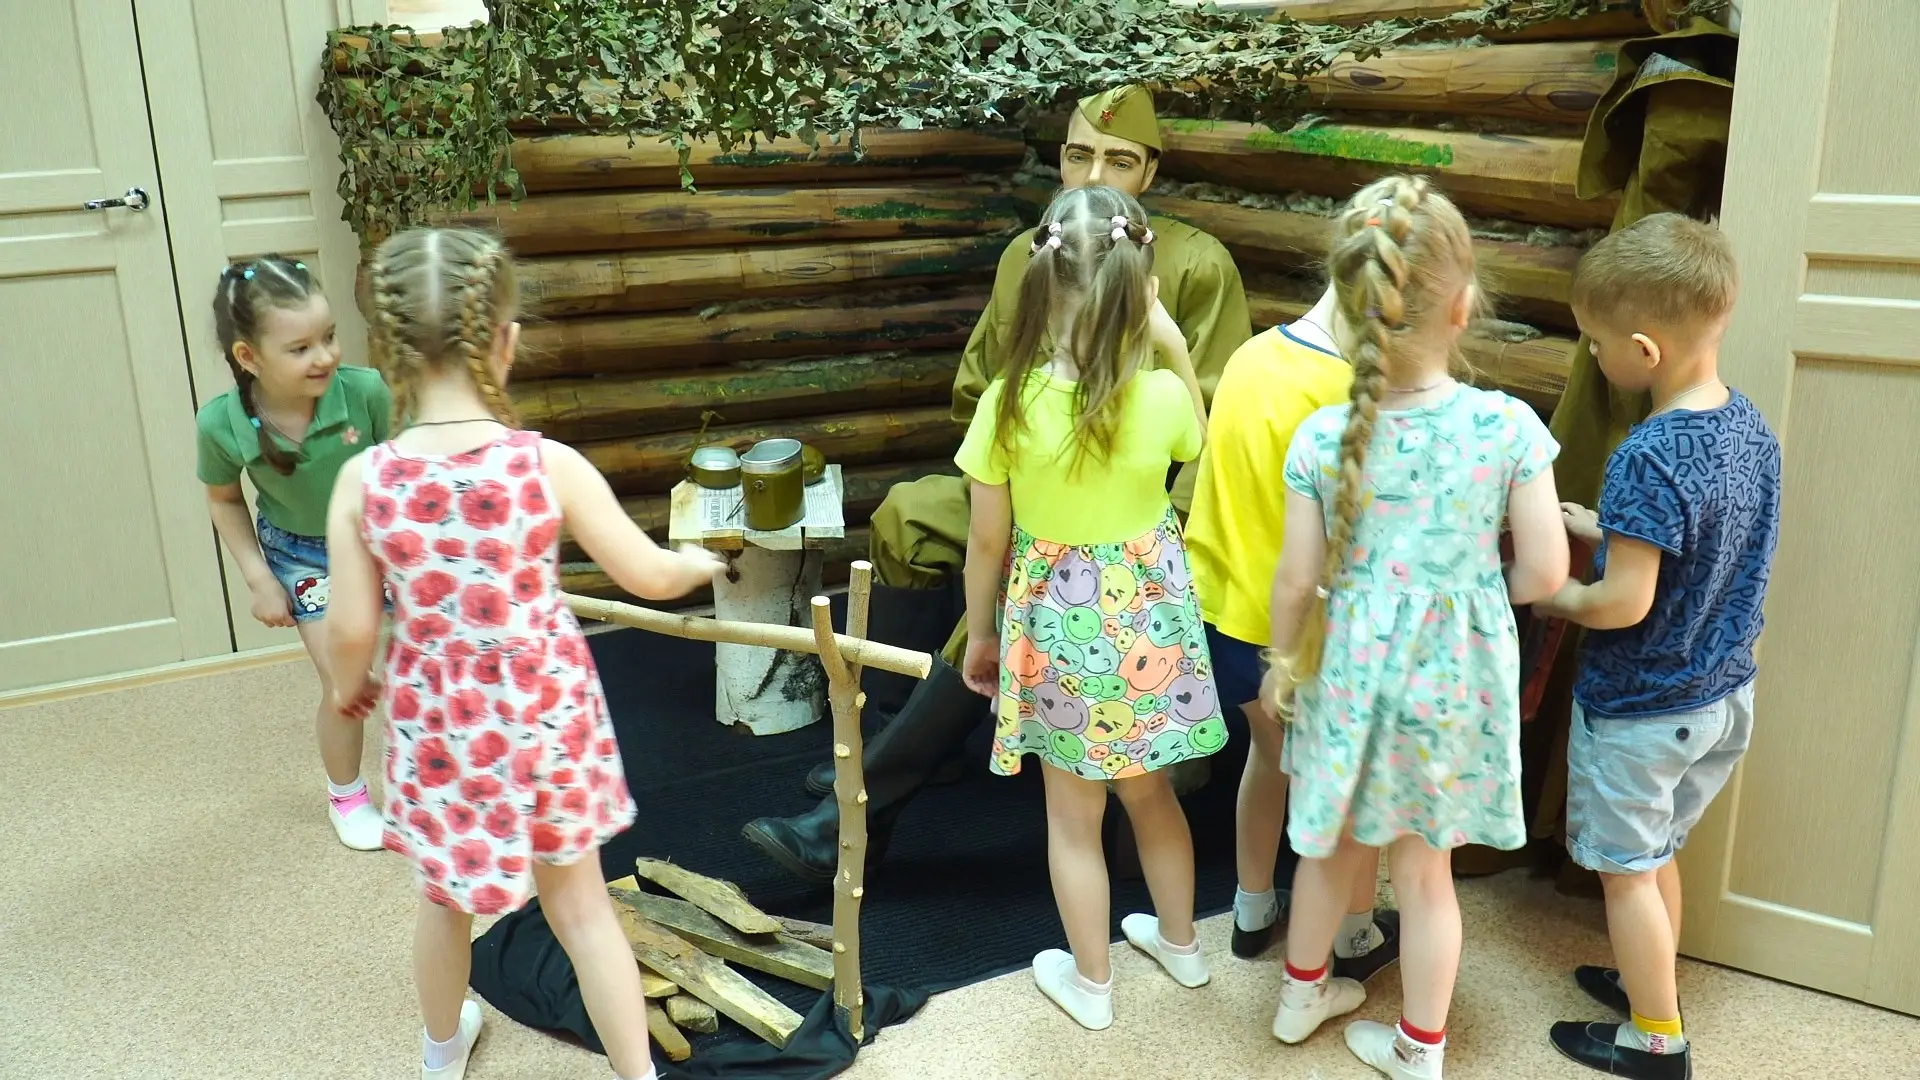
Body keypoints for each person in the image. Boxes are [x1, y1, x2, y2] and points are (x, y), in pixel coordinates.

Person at [744, 84, 1251, 881]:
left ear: (1151, 172)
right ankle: (912, 735)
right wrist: (1023, 466)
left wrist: (1150, 527)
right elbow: (979, 383)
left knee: (1010, 578)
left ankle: (866, 805)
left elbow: (1209, 424)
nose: (1094, 175)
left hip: (1131, 515)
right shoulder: (1032, 251)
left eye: (1119, 160)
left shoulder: (1194, 264)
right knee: (910, 514)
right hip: (1029, 475)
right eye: (1079, 155)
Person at [321, 227, 723, 1080]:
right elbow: (647, 575)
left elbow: (352, 628)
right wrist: (695, 563)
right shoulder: (547, 464)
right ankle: (638, 1074)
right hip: (544, 715)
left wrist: (352, 685)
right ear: (504, 342)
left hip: (443, 727)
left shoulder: (366, 481)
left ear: (385, 352)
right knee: (581, 908)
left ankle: (440, 1054)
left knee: (444, 903)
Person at [1262, 176, 1570, 1079]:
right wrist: (1472, 592)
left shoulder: (1320, 437)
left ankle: (1300, 997)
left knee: (1328, 846)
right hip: (1449, 680)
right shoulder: (1508, 427)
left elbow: (1296, 580)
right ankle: (1418, 1048)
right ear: (1464, 305)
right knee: (1426, 874)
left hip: (1344, 672)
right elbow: (1546, 573)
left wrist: (1282, 663)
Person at [955, 184, 1222, 1030]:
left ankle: (1093, 985)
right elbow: (1200, 443)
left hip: (1057, 633)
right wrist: (1172, 344)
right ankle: (1182, 946)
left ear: (1039, 289)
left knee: (1073, 819)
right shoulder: (1163, 397)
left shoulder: (1007, 404)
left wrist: (982, 636)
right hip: (1149, 627)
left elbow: (987, 544)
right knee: (1153, 796)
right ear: (1142, 289)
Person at [1537, 214, 1778, 1080]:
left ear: (1643, 350)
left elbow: (1623, 603)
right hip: (1721, 699)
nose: (1594, 356)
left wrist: (1550, 591)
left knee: (1627, 875)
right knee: (1656, 854)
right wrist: (1604, 528)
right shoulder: (1748, 426)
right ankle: (1654, 988)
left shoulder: (1648, 453)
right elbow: (1696, 550)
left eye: (1596, 343)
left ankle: (1655, 1042)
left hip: (1643, 712)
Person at [1184, 279, 1403, 977]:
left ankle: (1252, 908)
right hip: (1305, 632)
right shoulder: (1345, 393)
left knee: (1268, 755)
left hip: (1225, 618)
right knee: (1347, 792)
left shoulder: (1250, 354)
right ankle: (1355, 934)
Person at [194, 255, 391, 850]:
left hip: (382, 539)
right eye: (301, 348)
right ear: (248, 356)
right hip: (303, 556)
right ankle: (348, 796)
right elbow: (224, 500)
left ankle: (446, 778)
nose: (324, 356)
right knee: (346, 684)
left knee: (432, 667)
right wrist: (258, 577)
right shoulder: (221, 424)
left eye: (329, 336)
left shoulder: (366, 391)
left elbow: (408, 470)